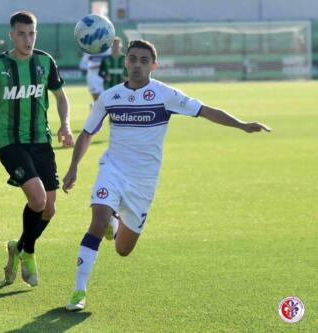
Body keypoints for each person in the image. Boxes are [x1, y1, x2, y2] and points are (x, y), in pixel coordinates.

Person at [62, 40, 271, 311]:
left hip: (143, 182)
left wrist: (241, 125)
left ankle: (116, 223)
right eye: (133, 58)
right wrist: (73, 167)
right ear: (126, 61)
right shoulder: (110, 97)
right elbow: (87, 133)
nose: (137, 64)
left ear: (153, 65)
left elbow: (205, 110)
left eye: (144, 60)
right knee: (97, 220)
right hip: (112, 170)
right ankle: (79, 290)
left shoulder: (164, 95)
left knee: (123, 250)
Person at [0, 11, 74, 287]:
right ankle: (30, 253)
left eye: (32, 33)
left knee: (49, 210)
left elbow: (61, 97)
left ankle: (18, 247)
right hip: (10, 143)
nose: (28, 39)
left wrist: (66, 125)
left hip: (41, 140)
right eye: (22, 34)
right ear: (11, 35)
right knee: (37, 201)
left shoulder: (45, 62)